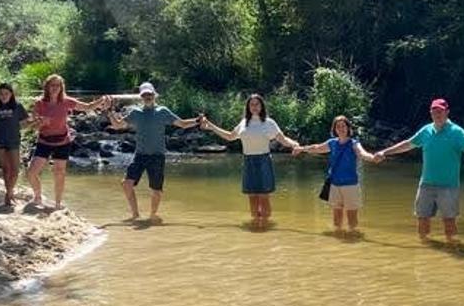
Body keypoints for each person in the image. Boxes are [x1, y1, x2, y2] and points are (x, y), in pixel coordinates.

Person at [377, 98, 464, 243]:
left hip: (448, 186)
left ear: (447, 112)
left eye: (440, 112)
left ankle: (452, 247)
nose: (437, 115)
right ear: (431, 113)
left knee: (449, 222)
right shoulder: (426, 130)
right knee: (422, 219)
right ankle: (425, 248)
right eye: (434, 112)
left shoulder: (457, 132)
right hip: (426, 184)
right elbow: (408, 144)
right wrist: (385, 152)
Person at [201, 93, 301, 228]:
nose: (254, 107)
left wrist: (294, 144)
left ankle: (265, 226)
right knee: (252, 197)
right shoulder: (244, 123)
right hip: (248, 162)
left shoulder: (269, 123)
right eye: (251, 104)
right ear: (248, 107)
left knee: (264, 197)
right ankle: (256, 225)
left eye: (257, 104)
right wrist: (211, 126)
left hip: (264, 161)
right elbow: (230, 136)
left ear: (261, 106)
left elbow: (282, 139)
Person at [106, 81, 201, 223]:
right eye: (144, 95)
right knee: (126, 184)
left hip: (157, 156)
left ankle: (152, 215)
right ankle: (135, 214)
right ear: (141, 97)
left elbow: (181, 123)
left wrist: (198, 121)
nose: (147, 97)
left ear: (154, 95)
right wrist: (109, 112)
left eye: (149, 94)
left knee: (156, 190)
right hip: (140, 155)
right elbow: (118, 125)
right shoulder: (136, 113)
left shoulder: (162, 111)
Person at [27, 74, 107, 209]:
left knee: (59, 172)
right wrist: (41, 123)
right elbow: (32, 126)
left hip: (62, 141)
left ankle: (58, 203)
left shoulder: (66, 101)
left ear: (61, 87)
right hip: (44, 141)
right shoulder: (39, 103)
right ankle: (38, 196)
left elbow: (87, 107)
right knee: (31, 172)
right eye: (52, 85)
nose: (55, 88)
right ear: (47, 87)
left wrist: (101, 101)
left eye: (57, 85)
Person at [294, 115, 382, 234]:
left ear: (348, 128)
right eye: (338, 126)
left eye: (343, 126)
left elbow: (362, 154)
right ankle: (338, 238)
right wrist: (302, 148)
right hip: (335, 185)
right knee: (336, 219)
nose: (341, 129)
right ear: (334, 129)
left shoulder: (353, 143)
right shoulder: (332, 143)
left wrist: (372, 158)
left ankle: (353, 238)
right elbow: (317, 148)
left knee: (352, 219)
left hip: (350, 185)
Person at [0, 83, 35, 207]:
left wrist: (34, 122)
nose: (4, 96)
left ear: (11, 95)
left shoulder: (18, 107)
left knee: (15, 170)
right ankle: (9, 196)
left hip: (13, 141)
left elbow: (24, 124)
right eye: (1, 94)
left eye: (6, 94)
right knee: (6, 169)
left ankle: (8, 193)